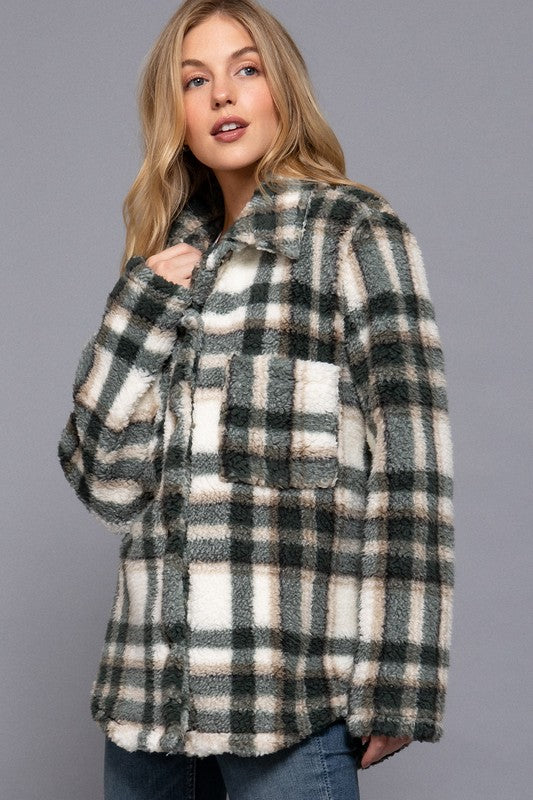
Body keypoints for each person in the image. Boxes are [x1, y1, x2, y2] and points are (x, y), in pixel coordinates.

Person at [57, 1, 455, 798]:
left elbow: (411, 464)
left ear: (282, 86)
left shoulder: (353, 233)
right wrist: (135, 313)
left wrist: (400, 678)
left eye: (245, 68)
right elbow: (104, 485)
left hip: (285, 700)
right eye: (193, 80)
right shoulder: (166, 265)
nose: (221, 95)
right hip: (147, 708)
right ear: (174, 112)